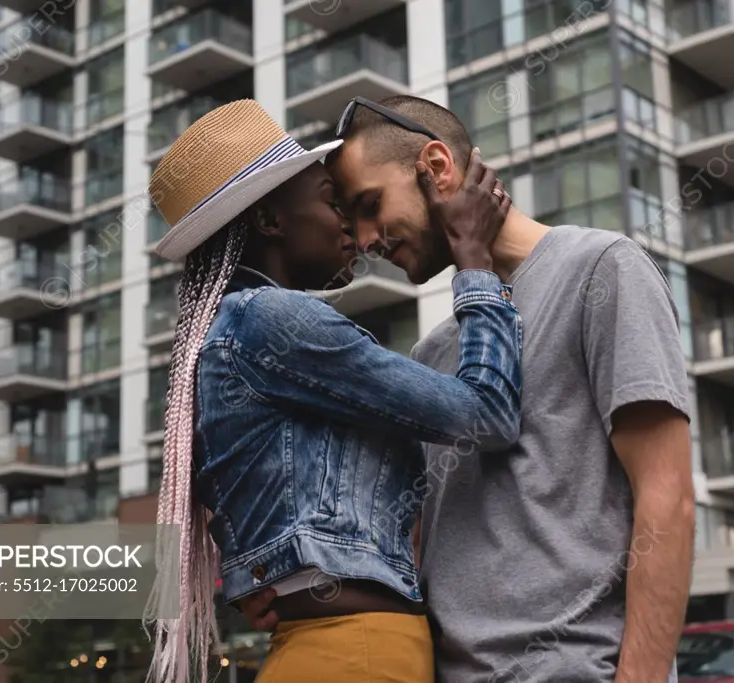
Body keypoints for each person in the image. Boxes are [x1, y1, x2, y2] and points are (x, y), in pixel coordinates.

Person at [240, 95, 697, 683]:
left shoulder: (602, 269)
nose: (368, 238)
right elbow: (411, 539)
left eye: (371, 205)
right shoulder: (432, 353)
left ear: (436, 167)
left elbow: (669, 497)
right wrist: (298, 586)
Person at [142, 99, 525, 683]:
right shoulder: (275, 320)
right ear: (271, 221)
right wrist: (475, 264)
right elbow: (487, 417)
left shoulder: (224, 334)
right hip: (360, 650)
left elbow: (221, 481)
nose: (351, 225)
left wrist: (263, 573)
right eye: (332, 201)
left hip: (325, 648)